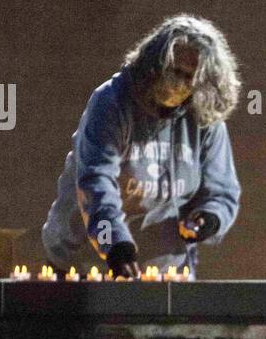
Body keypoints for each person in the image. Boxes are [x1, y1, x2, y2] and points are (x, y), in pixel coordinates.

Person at [42, 14, 241, 279]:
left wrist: (208, 218)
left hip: (164, 269)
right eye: (173, 70)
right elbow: (95, 182)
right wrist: (114, 244)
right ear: (154, 63)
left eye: (188, 77)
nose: (177, 83)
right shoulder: (111, 102)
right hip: (87, 262)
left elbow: (222, 191)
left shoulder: (205, 116)